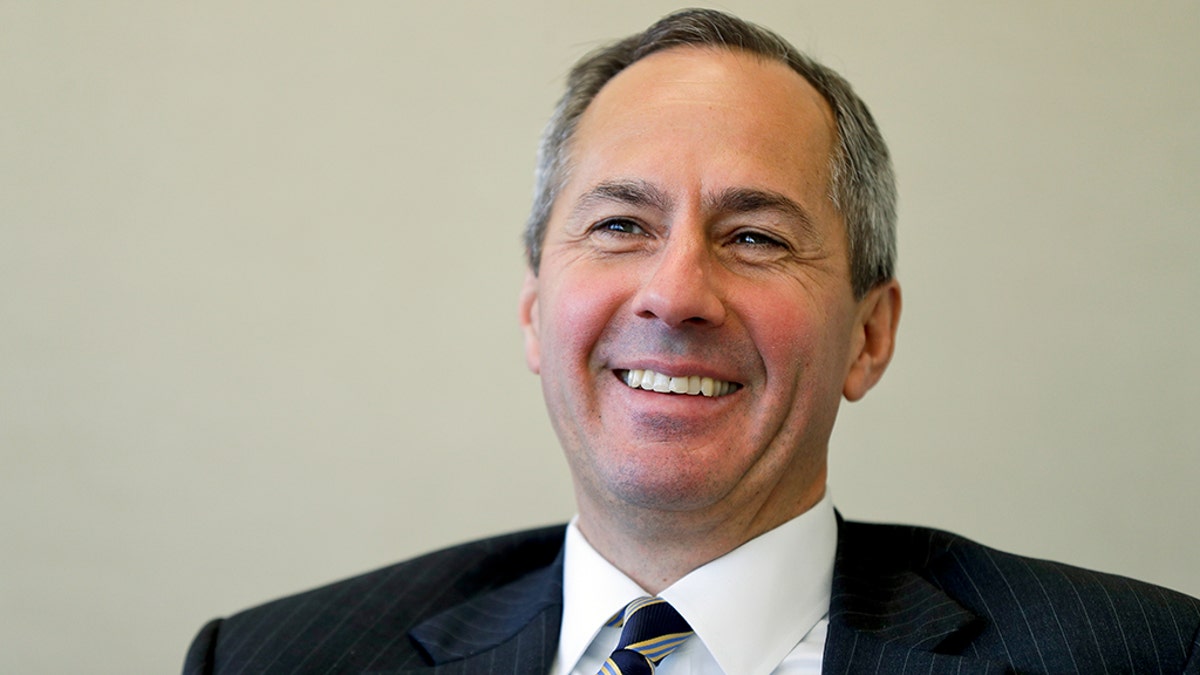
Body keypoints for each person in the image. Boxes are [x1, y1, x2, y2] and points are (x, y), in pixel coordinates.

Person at [183, 9, 1199, 674]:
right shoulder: (273, 660)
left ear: (869, 337)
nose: (677, 293)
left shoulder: (1144, 658)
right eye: (621, 225)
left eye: (755, 237)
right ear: (538, 315)